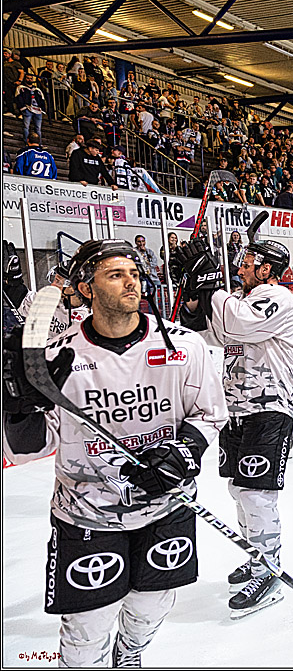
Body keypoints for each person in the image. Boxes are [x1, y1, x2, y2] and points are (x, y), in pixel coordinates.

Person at [1, 239, 227, 667]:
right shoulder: (57, 355)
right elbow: (30, 448)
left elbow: (211, 413)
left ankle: (131, 652)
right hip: (86, 514)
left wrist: (184, 452)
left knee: (153, 606)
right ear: (86, 289)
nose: (131, 282)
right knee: (87, 630)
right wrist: (20, 412)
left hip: (167, 504)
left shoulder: (184, 347)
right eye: (115, 274)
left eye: (135, 274)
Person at [176, 236, 293, 618]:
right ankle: (255, 554)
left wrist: (211, 283)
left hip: (270, 410)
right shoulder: (242, 302)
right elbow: (206, 331)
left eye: (247, 262)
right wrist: (194, 291)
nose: (241, 267)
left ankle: (269, 571)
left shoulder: (278, 298)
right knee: (238, 488)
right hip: (238, 411)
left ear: (266, 269)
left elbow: (239, 323)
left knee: (256, 494)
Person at [15, 72, 47, 144]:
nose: (29, 80)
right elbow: (18, 98)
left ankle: (39, 144)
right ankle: (27, 143)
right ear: (25, 79)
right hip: (27, 109)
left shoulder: (37, 90)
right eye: (28, 78)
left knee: (38, 128)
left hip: (38, 110)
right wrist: (23, 108)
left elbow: (42, 100)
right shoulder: (21, 88)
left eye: (31, 78)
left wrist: (43, 110)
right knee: (26, 127)